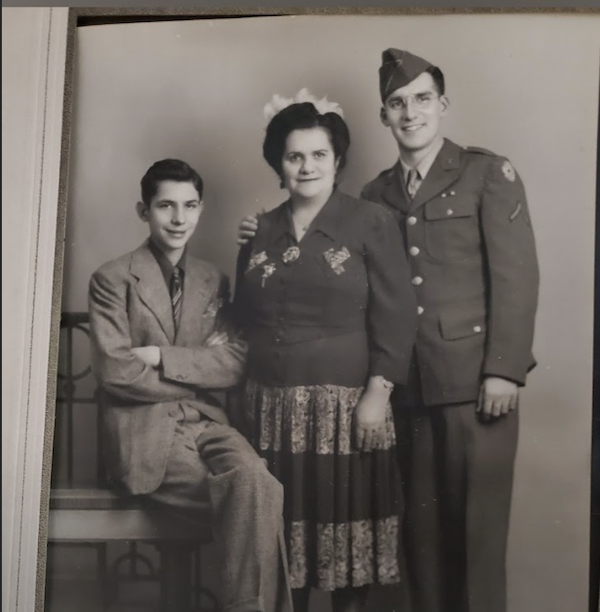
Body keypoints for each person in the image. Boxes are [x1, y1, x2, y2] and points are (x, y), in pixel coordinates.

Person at [238, 50, 540, 612]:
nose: (411, 113)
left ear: (442, 105)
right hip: (406, 390)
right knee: (418, 546)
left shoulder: (484, 174)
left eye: (423, 99)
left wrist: (504, 368)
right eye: (398, 103)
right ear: (383, 115)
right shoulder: (375, 197)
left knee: (475, 538)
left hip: (472, 383)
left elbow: (517, 277)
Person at [233, 91, 417, 612]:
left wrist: (378, 394)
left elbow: (397, 313)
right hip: (269, 411)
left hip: (345, 407)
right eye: (295, 156)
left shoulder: (370, 222)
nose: (307, 166)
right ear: (279, 164)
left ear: (338, 161)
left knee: (342, 552)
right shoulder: (259, 229)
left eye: (319, 155)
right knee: (281, 547)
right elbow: (243, 314)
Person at [88, 158, 293, 612]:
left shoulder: (212, 280)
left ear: (201, 209)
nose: (180, 219)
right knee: (258, 496)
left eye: (190, 206)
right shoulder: (112, 279)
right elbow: (115, 372)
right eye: (166, 206)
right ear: (144, 211)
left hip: (207, 424)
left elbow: (233, 363)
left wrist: (161, 358)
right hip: (144, 435)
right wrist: (195, 375)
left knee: (255, 483)